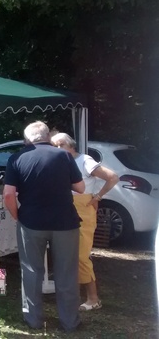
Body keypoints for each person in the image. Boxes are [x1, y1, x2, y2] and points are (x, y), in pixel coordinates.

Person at [3, 121, 84, 332]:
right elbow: (81, 187)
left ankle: (34, 320)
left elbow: (9, 194)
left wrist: (17, 215)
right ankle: (70, 322)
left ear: (27, 139)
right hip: (65, 222)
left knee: (31, 271)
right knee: (66, 273)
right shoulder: (64, 156)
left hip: (31, 221)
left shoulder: (17, 158)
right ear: (48, 136)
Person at [51, 132, 119, 311]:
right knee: (67, 254)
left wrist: (98, 196)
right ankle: (74, 295)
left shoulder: (84, 160)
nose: (57, 149)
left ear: (71, 146)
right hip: (66, 208)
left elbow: (112, 177)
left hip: (83, 210)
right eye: (54, 145)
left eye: (60, 145)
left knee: (81, 255)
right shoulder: (61, 161)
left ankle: (93, 298)